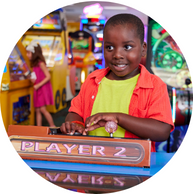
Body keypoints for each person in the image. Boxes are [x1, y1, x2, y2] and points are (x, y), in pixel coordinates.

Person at [60, 14, 174, 152]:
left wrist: (118, 118)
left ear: (143, 48)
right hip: (91, 160)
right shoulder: (92, 80)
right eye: (109, 48)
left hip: (133, 166)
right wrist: (75, 124)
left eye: (127, 47)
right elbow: (75, 112)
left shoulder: (155, 86)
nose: (117, 55)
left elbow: (162, 131)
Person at [26, 41, 55, 127]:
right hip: (37, 89)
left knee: (42, 109)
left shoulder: (41, 63)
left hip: (42, 89)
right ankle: (38, 128)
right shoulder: (33, 65)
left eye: (29, 52)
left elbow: (48, 76)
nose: (27, 55)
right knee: (37, 110)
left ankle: (52, 125)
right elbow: (35, 78)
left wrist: (38, 85)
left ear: (34, 53)